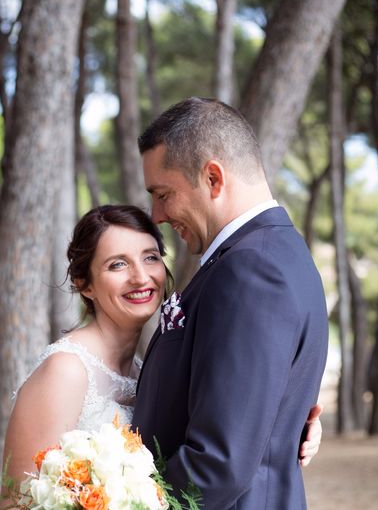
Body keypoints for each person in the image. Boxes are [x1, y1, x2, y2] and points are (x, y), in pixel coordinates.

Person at [1, 204, 323, 495]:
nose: (141, 277)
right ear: (85, 284)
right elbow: (16, 501)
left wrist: (296, 425)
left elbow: (229, 413)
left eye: (150, 257)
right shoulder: (66, 371)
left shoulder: (146, 369)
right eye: (117, 265)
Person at [133, 97, 329, 509]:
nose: (157, 215)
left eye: (163, 194)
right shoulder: (275, 253)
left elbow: (218, 464)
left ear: (213, 179)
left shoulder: (251, 270)